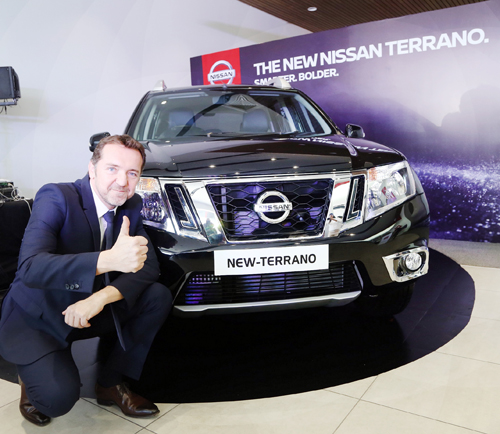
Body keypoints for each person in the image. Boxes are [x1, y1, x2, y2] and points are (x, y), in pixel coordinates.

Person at [0, 134, 172, 426]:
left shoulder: (130, 204)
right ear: (92, 169)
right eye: (112, 169)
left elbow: (149, 266)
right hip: (40, 315)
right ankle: (29, 379)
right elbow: (30, 267)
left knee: (157, 296)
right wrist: (108, 260)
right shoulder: (56, 196)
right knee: (56, 400)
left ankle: (110, 382)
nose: (122, 181)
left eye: (133, 173)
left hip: (89, 307)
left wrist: (99, 298)